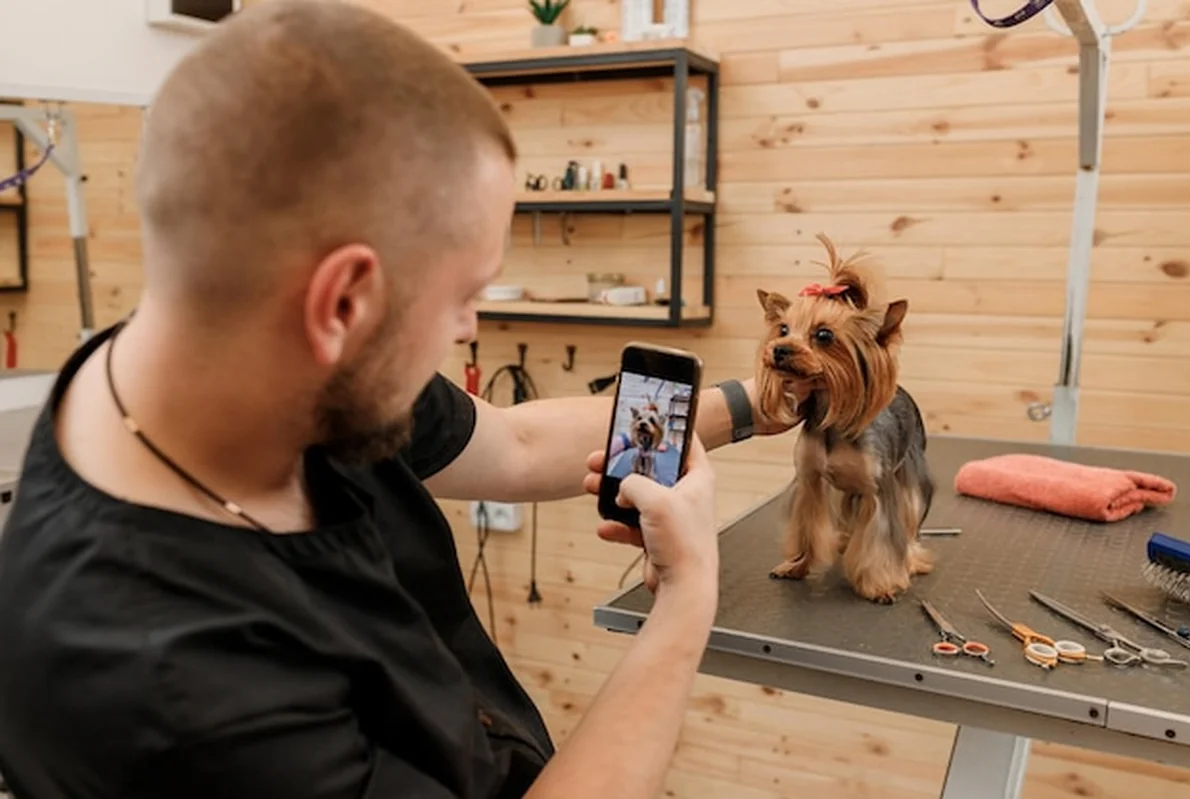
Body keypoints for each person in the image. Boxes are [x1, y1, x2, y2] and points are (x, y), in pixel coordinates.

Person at [0, 3, 803, 798]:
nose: (469, 325)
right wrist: (687, 595)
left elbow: (516, 443)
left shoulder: (254, 356)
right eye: (464, 294)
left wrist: (753, 404)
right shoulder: (173, 693)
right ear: (343, 302)